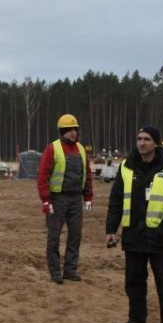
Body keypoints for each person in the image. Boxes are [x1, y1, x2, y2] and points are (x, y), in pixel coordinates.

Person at [105, 126, 163, 323]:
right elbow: (115, 200)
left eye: (147, 139)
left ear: (156, 143)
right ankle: (137, 319)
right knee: (133, 280)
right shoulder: (126, 167)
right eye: (139, 138)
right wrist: (111, 230)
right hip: (133, 234)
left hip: (159, 236)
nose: (142, 143)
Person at [37, 114, 94, 283]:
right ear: (62, 131)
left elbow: (87, 174)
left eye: (75, 129)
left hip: (76, 199)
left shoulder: (82, 149)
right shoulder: (52, 149)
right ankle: (55, 272)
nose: (73, 133)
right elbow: (43, 176)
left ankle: (70, 270)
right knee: (54, 237)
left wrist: (88, 197)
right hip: (57, 199)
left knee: (75, 235)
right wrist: (46, 201)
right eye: (69, 130)